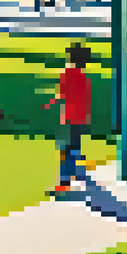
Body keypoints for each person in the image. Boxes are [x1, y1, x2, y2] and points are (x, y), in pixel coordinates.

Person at [44, 43, 92, 193]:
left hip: (69, 116)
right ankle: (75, 172)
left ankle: (64, 183)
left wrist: (51, 102)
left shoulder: (66, 73)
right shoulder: (84, 77)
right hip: (80, 116)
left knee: (65, 149)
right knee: (74, 146)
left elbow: (62, 93)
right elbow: (86, 97)